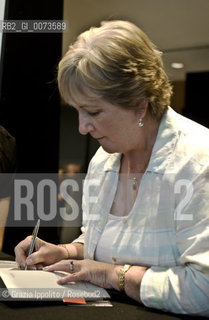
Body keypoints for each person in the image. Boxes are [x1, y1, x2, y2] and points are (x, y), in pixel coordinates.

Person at [15, 20, 209, 316]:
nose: (82, 127)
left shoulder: (197, 163)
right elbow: (102, 242)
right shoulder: (104, 161)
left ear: (138, 104)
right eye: (77, 111)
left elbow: (203, 289)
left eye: (93, 112)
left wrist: (112, 275)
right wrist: (65, 252)